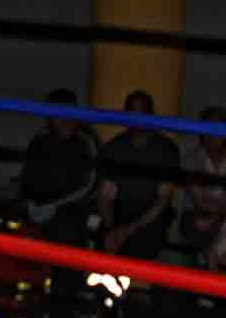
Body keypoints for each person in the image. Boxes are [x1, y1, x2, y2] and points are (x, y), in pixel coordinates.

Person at [96, 89, 180, 260]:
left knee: (143, 247)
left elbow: (163, 200)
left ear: (151, 115)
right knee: (102, 248)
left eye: (142, 113)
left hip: (150, 219)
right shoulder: (114, 148)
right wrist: (112, 229)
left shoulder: (167, 150)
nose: (137, 118)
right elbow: (105, 196)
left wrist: (129, 229)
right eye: (132, 113)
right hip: (119, 216)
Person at [18, 88, 98, 245]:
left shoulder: (86, 142)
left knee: (66, 233)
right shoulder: (39, 140)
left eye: (69, 113)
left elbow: (91, 184)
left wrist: (55, 206)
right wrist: (29, 202)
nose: (65, 120)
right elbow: (27, 175)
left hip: (72, 211)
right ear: (50, 117)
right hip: (37, 210)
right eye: (58, 114)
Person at [178, 105, 226, 270]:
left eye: (216, 129)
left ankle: (211, 266)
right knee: (199, 225)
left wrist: (218, 216)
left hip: (219, 218)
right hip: (198, 215)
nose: (211, 135)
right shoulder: (192, 159)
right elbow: (199, 201)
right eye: (207, 128)